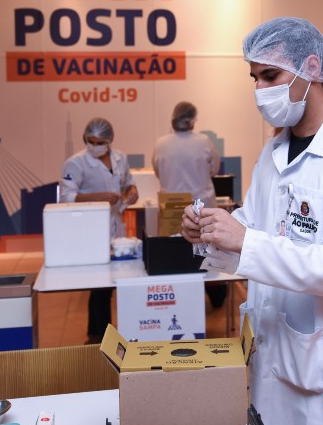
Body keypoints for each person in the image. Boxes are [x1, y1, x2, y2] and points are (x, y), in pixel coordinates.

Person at [181, 17, 323, 425]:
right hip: (274, 356)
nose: (260, 90)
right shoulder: (274, 151)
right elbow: (254, 223)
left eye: (270, 75)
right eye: (254, 78)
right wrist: (209, 231)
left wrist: (245, 242)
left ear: (311, 69)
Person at [60, 117, 138, 343]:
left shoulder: (120, 158)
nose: (94, 146)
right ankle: (100, 336)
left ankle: (101, 333)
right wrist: (99, 198)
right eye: (90, 141)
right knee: (101, 284)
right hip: (91, 229)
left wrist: (132, 191)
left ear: (110, 141)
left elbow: (127, 183)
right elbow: (66, 196)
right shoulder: (76, 163)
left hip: (116, 226)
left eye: (100, 142)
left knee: (114, 282)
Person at [152, 101, 226, 308]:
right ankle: (217, 298)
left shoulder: (161, 143)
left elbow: (157, 171)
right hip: (201, 207)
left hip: (172, 211)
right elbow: (214, 168)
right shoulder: (204, 141)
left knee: (176, 255)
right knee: (206, 255)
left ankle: (181, 302)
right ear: (193, 120)